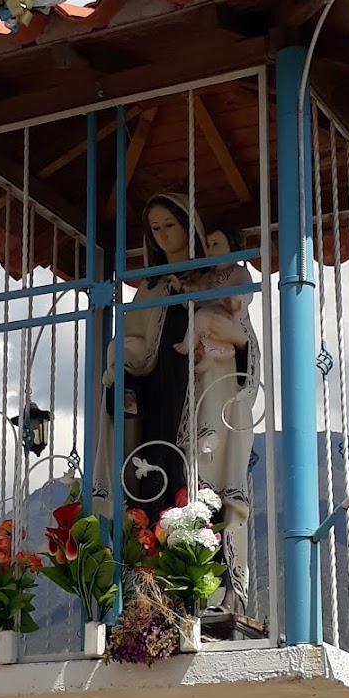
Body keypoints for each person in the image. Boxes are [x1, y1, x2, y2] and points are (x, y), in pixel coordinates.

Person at [92, 195, 260, 615]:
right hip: (156, 404)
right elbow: (132, 339)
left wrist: (228, 341)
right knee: (155, 485)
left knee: (204, 488)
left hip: (204, 399)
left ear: (190, 226)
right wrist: (122, 361)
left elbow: (244, 343)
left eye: (171, 224)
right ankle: (150, 595)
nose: (164, 235)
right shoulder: (149, 287)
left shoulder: (215, 278)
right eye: (156, 228)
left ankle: (214, 592)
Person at [175, 226, 252, 362]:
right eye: (208, 246)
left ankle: (196, 345)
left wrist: (237, 299)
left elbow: (246, 293)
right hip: (208, 315)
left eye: (215, 244)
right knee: (199, 318)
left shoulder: (239, 272)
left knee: (202, 316)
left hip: (227, 315)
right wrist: (183, 289)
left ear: (231, 245)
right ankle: (193, 344)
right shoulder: (208, 277)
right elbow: (197, 291)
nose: (210, 251)